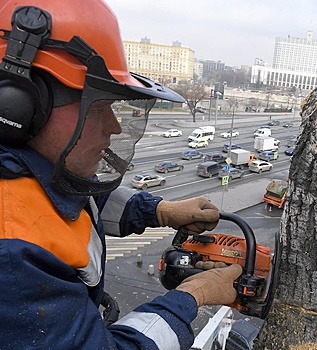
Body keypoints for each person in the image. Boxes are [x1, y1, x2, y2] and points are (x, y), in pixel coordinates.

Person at [0, 1, 242, 349]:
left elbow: (77, 199)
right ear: (20, 103)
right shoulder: (13, 258)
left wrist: (158, 211)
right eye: (99, 107)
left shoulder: (30, 169)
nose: (114, 126)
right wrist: (191, 297)